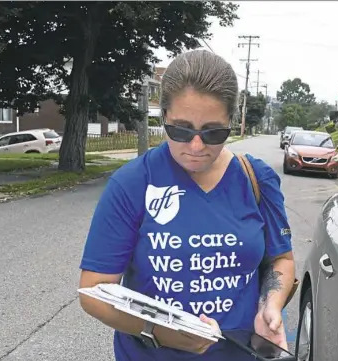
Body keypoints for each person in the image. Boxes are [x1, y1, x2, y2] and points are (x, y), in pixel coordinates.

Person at [78, 49, 296, 361]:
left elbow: (282, 260)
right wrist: (158, 332)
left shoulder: (256, 178)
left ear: (232, 123)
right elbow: (94, 291)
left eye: (213, 132)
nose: (195, 146)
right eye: (180, 130)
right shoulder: (133, 183)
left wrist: (269, 306)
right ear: (164, 116)